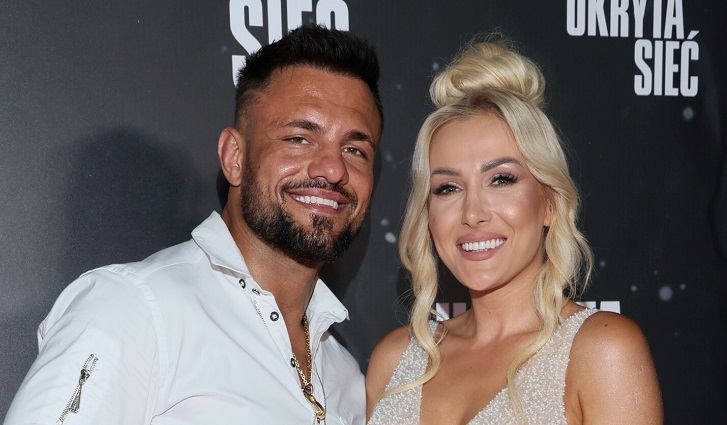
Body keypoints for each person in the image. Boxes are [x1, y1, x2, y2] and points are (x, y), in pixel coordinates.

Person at [5, 25, 382, 425]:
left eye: (354, 149)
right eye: (299, 139)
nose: (333, 169)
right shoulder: (135, 309)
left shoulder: (346, 377)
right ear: (234, 157)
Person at [366, 37, 662, 424]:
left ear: (549, 202)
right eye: (448, 188)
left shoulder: (602, 351)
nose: (472, 213)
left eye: (501, 179)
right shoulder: (393, 361)